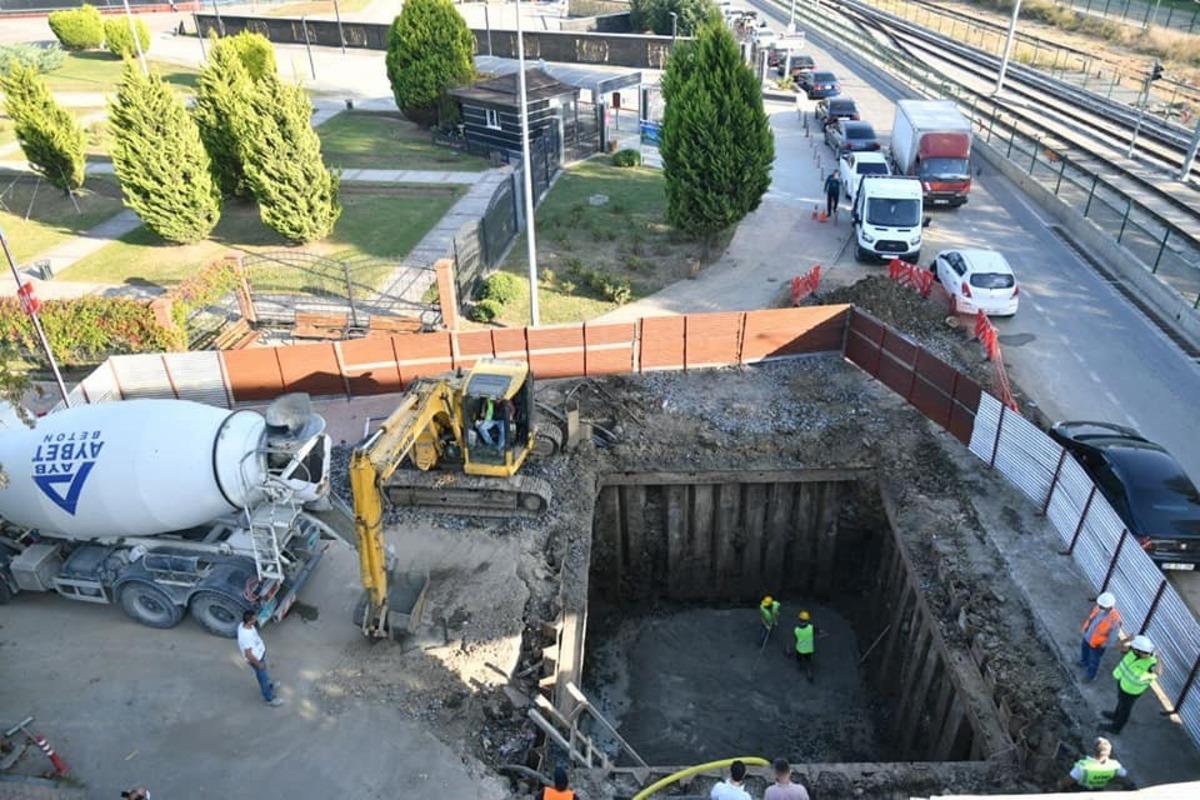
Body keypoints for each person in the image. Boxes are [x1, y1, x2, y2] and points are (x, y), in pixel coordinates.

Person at [1101, 635, 1158, 734]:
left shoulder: (1151, 663)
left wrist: (1160, 659)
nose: (1132, 649)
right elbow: (1116, 647)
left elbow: (1158, 672)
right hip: (1123, 682)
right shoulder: (1134, 652)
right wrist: (1127, 639)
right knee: (1120, 702)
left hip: (1132, 691)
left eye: (1134, 648)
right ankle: (1115, 715)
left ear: (1140, 651)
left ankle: (1116, 728)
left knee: (1125, 710)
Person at [238, 610, 283, 707]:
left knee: (264, 674)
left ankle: (269, 685)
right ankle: (269, 698)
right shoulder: (246, 636)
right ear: (249, 621)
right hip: (256, 660)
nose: (256, 619)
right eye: (254, 619)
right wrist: (258, 664)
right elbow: (248, 654)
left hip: (259, 655)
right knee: (262, 677)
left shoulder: (243, 624)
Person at [1077, 592, 1122, 682]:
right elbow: (1091, 619)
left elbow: (1112, 638)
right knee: (1084, 650)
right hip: (1088, 636)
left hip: (1098, 644)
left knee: (1094, 661)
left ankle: (1090, 676)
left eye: (1102, 606)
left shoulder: (1115, 620)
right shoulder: (1098, 608)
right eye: (1100, 605)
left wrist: (1104, 645)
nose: (1099, 607)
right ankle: (1084, 661)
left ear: (1109, 606)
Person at [1063, 737, 1127, 792]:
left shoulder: (1082, 767)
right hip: (1097, 790)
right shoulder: (1115, 766)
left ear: (1094, 750)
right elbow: (1124, 774)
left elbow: (1066, 782)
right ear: (1109, 752)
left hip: (1080, 789)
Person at [794, 610, 815, 683]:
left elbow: (796, 639)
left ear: (799, 619)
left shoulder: (796, 629)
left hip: (800, 649)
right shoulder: (811, 628)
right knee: (808, 661)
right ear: (807, 620)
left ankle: (800, 667)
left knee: (799, 659)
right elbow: (819, 632)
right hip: (809, 649)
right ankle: (809, 674)